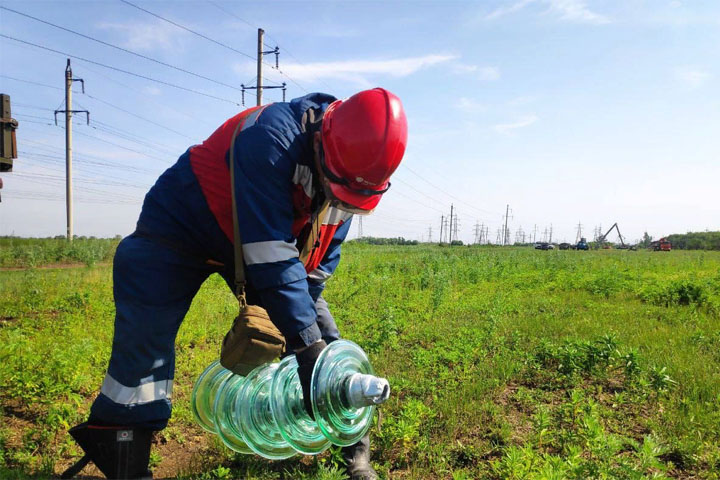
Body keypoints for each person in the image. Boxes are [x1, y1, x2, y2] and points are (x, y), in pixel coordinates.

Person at [62, 88, 408, 480]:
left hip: (257, 244)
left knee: (323, 343)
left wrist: (312, 348)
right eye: (337, 189)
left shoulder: (350, 183)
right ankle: (123, 450)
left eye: (348, 200)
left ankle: (356, 454)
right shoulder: (270, 137)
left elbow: (309, 274)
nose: (338, 202)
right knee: (145, 347)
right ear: (320, 142)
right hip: (179, 230)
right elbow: (270, 254)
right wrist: (305, 345)